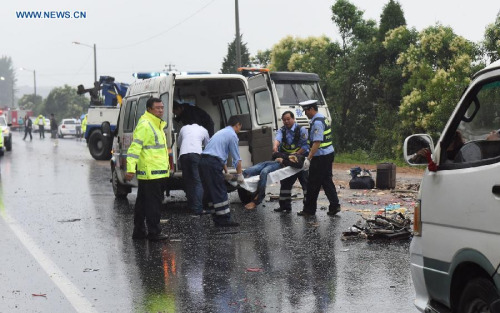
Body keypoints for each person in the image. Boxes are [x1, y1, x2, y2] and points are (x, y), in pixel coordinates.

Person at [125, 97, 170, 241]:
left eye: (162, 107)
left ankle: (139, 231)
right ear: (149, 109)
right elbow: (134, 148)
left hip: (154, 172)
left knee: (143, 204)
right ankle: (154, 232)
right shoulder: (146, 124)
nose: (161, 110)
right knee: (153, 204)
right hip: (152, 173)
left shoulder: (157, 124)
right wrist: (130, 168)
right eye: (158, 108)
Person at [297, 100, 340, 217]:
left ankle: (309, 210)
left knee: (313, 184)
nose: (305, 113)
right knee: (326, 181)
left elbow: (317, 142)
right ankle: (334, 205)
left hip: (320, 157)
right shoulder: (322, 118)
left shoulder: (317, 122)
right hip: (328, 154)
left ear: (311, 109)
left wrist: (309, 158)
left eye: (305, 111)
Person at [199, 115, 243, 227]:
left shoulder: (221, 132)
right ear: (237, 125)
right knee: (219, 189)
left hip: (204, 162)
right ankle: (224, 219)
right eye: (240, 127)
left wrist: (226, 171)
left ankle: (217, 218)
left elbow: (219, 154)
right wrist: (240, 175)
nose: (239, 130)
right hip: (212, 162)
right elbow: (236, 158)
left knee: (211, 190)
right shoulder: (232, 135)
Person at [273, 110, 309, 213]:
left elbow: (305, 146)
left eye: (288, 119)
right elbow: (277, 139)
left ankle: (308, 208)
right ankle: (285, 206)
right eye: (284, 120)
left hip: (301, 161)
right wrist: (275, 146)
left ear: (293, 119)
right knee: (285, 183)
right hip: (289, 161)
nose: (286, 121)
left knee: (305, 184)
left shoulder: (301, 130)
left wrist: (295, 155)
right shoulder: (282, 130)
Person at [178, 122, 210, 216]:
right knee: (197, 181)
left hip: (183, 155)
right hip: (196, 154)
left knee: (188, 182)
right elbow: (208, 145)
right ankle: (198, 208)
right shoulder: (204, 130)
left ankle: (191, 206)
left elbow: (179, 143)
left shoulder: (183, 128)